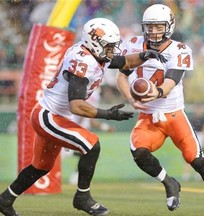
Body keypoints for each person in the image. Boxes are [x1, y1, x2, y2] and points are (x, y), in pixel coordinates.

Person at [0, 17, 166, 216]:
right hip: (49, 117)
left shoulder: (96, 52)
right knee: (91, 145)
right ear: (94, 42)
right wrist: (108, 114)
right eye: (109, 46)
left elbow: (125, 61)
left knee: (40, 167)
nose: (113, 50)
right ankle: (82, 197)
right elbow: (77, 106)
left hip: (52, 116)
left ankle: (4, 200)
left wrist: (145, 55)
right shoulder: (82, 61)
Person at [116, 4, 204, 216]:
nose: (154, 31)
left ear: (169, 27)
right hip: (148, 116)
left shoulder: (180, 49)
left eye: (159, 27)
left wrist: (155, 92)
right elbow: (122, 76)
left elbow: (172, 80)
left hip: (174, 114)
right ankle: (169, 183)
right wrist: (130, 98)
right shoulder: (133, 44)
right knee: (138, 152)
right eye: (150, 27)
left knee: (196, 159)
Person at [182, 103, 204, 181]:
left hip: (201, 136)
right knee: (190, 156)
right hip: (194, 136)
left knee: (200, 157)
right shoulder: (192, 119)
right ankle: (186, 174)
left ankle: (198, 174)